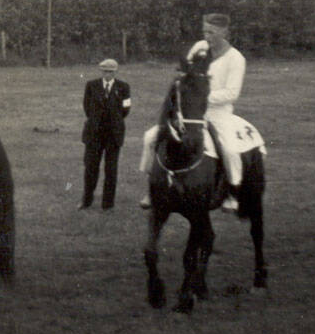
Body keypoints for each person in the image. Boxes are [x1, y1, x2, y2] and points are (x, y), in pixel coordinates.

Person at [139, 13, 245, 212]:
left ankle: (233, 192)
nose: (207, 36)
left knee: (230, 149)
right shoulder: (199, 48)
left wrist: (202, 97)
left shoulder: (236, 59)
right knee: (150, 137)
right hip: (191, 112)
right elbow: (185, 74)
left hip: (218, 113)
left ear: (224, 32)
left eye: (212, 32)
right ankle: (151, 187)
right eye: (205, 31)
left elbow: (232, 93)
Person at [78, 58, 131, 211]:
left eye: (111, 72)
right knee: (90, 168)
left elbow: (126, 109)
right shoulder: (91, 85)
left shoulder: (123, 87)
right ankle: (86, 201)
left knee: (111, 170)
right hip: (94, 134)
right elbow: (87, 107)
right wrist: (97, 121)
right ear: (101, 71)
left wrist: (113, 120)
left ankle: (108, 205)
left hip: (114, 135)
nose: (108, 74)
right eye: (105, 71)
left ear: (116, 72)